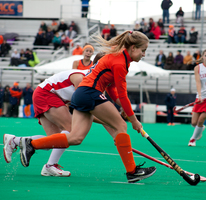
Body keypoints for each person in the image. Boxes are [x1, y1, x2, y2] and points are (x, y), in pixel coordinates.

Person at [18, 30, 156, 183]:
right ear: (133, 48)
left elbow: (111, 89)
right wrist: (134, 120)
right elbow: (123, 95)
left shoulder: (119, 58)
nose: (144, 54)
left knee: (75, 137)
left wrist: (122, 107)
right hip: (91, 93)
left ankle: (31, 144)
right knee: (121, 126)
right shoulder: (120, 63)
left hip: (82, 94)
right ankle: (132, 171)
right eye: (143, 50)